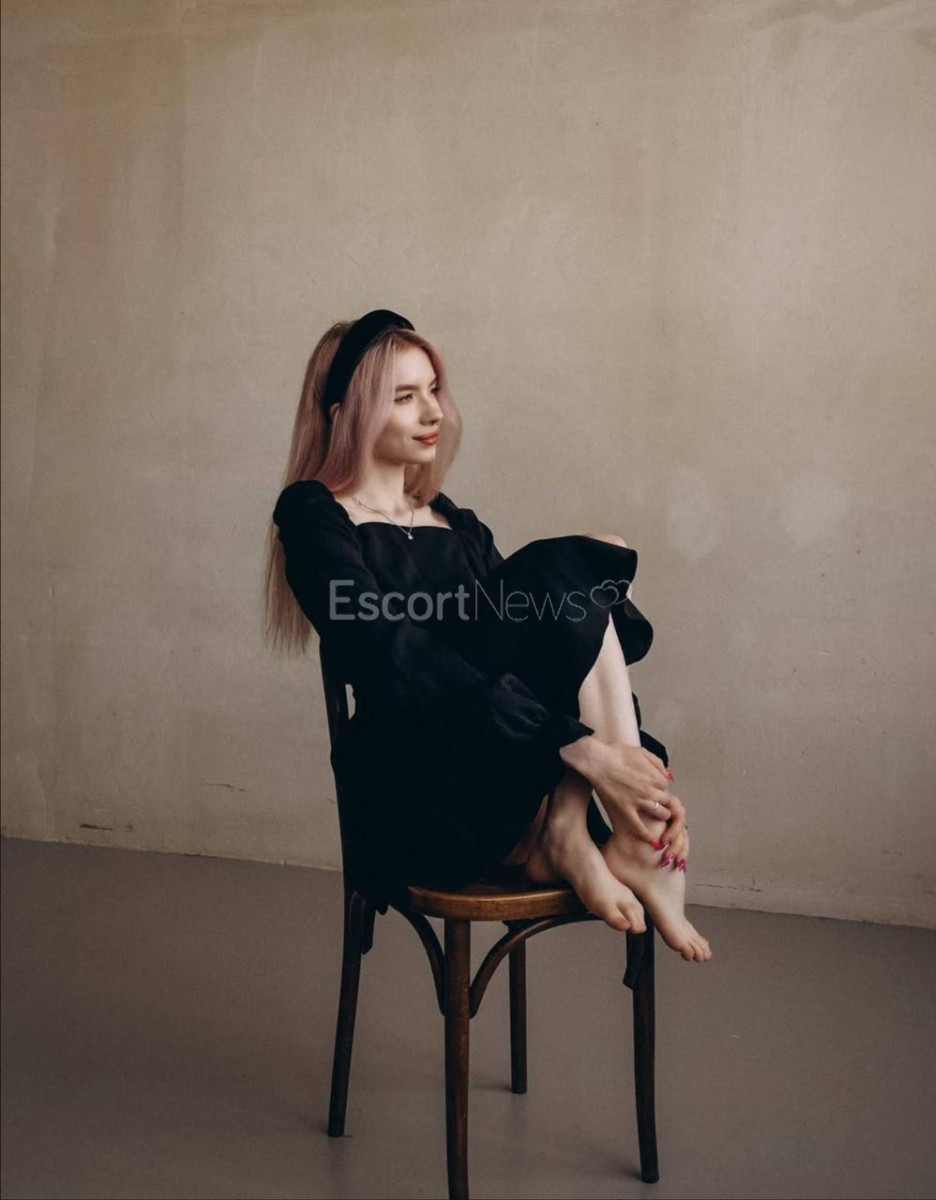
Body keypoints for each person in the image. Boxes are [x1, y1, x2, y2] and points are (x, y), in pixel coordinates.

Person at [264, 310, 711, 963]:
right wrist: (587, 754)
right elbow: (389, 656)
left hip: (508, 791)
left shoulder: (459, 525)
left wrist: (638, 776)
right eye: (404, 397)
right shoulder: (315, 515)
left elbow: (562, 659)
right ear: (345, 414)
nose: (432, 412)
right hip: (418, 798)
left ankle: (594, 830)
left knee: (577, 583)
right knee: (579, 562)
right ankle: (623, 839)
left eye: (433, 390)